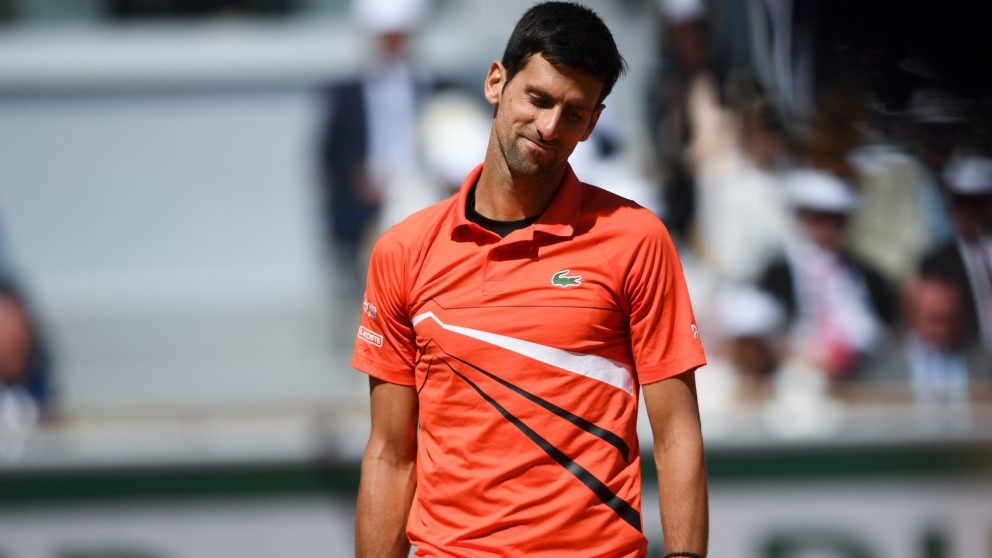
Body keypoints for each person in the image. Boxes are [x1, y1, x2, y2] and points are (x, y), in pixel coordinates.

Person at [350, 3, 708, 557]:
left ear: (593, 122)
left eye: (573, 112)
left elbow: (678, 434)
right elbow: (390, 453)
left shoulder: (637, 239)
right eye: (537, 99)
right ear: (496, 82)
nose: (548, 127)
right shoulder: (402, 250)